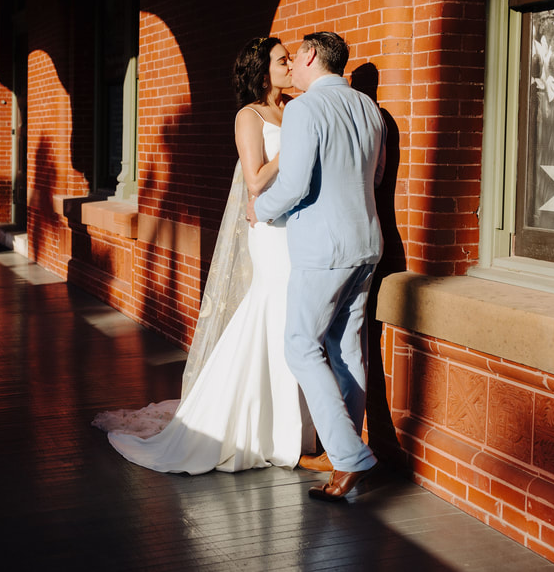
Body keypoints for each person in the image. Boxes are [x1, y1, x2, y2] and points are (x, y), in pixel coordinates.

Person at [92, 36, 315, 473]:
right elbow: (254, 183)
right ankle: (257, 428)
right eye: (281, 60)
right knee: (272, 316)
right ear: (261, 70)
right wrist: (292, 149)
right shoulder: (249, 117)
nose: (290, 65)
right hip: (270, 232)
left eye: (290, 59)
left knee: (291, 320)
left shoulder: (296, 109)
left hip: (299, 231)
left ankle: (288, 427)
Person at [247, 31, 386, 502]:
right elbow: (377, 175)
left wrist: (261, 210)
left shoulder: (305, 108)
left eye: (295, 56)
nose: (292, 66)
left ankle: (349, 456)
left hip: (324, 249)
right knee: (348, 350)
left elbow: (295, 182)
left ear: (309, 55)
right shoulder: (370, 109)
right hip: (367, 243)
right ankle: (341, 455)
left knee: (300, 347)